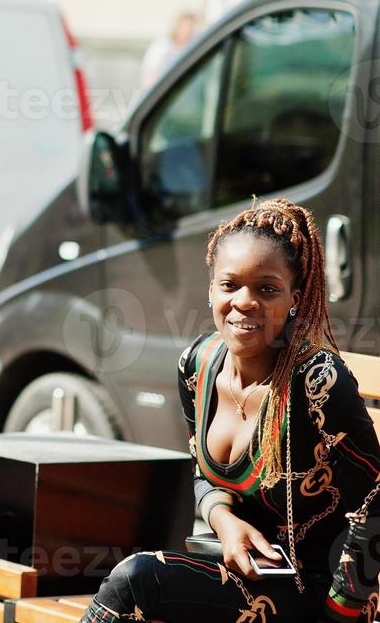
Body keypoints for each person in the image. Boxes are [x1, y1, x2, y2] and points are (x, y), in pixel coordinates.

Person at [83, 198, 380, 622]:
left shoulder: (317, 380)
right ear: (210, 291)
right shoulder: (197, 366)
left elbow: (375, 503)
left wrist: (341, 611)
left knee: (138, 580)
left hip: (319, 592)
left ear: (294, 298)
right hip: (247, 579)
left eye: (267, 288)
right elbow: (203, 475)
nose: (245, 302)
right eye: (229, 285)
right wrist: (223, 522)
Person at [140, 10, 198, 89]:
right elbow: (150, 77)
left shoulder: (190, 48)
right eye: (187, 26)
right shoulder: (163, 47)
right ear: (178, 26)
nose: (190, 30)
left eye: (192, 26)